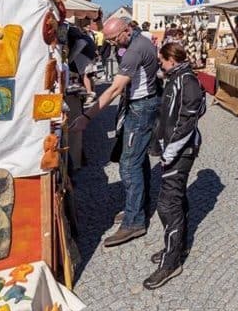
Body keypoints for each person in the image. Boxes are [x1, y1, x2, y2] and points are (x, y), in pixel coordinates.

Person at [71, 16, 161, 247]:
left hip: (141, 107)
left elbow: (114, 89)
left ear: (127, 30)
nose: (111, 44)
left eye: (114, 39)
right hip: (143, 104)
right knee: (138, 161)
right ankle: (138, 207)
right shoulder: (138, 41)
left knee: (128, 164)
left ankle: (134, 222)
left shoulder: (133, 50)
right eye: (109, 40)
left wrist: (86, 117)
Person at [143, 42, 205, 290]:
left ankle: (171, 263)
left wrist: (171, 150)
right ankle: (176, 247)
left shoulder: (187, 80)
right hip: (173, 148)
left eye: (162, 60)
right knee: (177, 199)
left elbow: (189, 120)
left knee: (167, 204)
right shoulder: (176, 76)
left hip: (181, 151)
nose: (160, 64)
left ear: (172, 59)